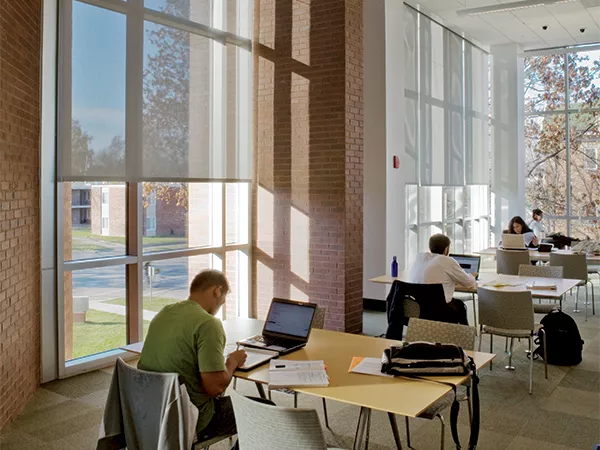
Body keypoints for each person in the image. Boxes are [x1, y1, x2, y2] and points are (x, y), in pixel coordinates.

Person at [138, 269, 249, 447]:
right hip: (189, 417)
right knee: (264, 410)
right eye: (222, 300)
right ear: (217, 291)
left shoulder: (164, 312)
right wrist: (232, 361)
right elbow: (215, 388)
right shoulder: (208, 324)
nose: (220, 305)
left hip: (149, 411)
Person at [409, 234, 478, 325]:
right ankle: (462, 336)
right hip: (439, 310)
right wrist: (473, 276)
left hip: (417, 306)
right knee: (460, 306)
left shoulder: (420, 258)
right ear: (446, 249)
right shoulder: (447, 261)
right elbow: (470, 283)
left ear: (430, 247)